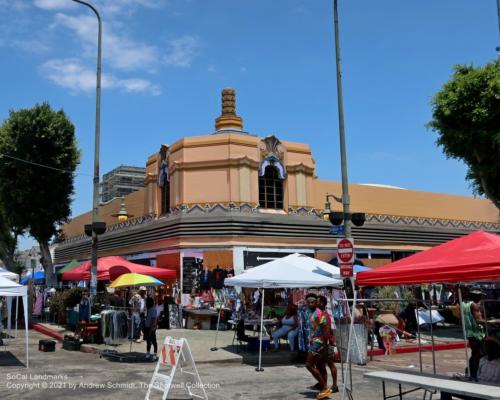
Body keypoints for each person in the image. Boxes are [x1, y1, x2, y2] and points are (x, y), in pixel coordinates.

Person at [305, 293, 331, 400]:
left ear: (316, 303)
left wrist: (324, 345)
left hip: (319, 342)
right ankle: (323, 389)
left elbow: (326, 330)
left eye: (313, 302)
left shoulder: (319, 314)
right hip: (314, 341)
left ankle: (325, 387)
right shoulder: (310, 312)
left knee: (309, 365)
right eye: (309, 302)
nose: (310, 304)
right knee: (320, 366)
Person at [463, 288, 486, 380]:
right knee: (479, 354)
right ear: (476, 296)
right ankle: (474, 373)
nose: (481, 298)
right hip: (477, 333)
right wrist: (492, 321)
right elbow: (479, 321)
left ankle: (471, 372)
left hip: (470, 332)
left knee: (475, 353)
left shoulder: (464, 304)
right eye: (480, 296)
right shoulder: (474, 305)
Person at [318, 295, 338, 393]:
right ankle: (323, 383)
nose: (316, 303)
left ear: (322, 303)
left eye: (317, 302)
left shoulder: (324, 315)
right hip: (325, 342)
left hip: (327, 343)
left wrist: (324, 344)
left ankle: (334, 385)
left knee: (330, 364)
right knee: (321, 364)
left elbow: (326, 330)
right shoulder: (321, 314)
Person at [144, 296, 158, 361]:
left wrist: (151, 329)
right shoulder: (149, 309)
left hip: (151, 327)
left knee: (153, 341)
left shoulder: (153, 309)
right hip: (148, 327)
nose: (145, 303)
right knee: (148, 341)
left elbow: (153, 319)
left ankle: (155, 354)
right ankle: (148, 353)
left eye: (146, 302)